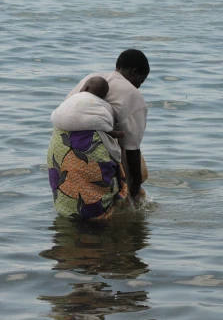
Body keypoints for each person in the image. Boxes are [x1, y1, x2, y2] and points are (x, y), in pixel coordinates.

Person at [47, 49, 150, 221]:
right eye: (141, 81)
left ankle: (70, 238)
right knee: (105, 213)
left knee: (69, 198)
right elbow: (132, 150)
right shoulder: (133, 94)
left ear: (117, 66)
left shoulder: (89, 78)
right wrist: (134, 192)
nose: (139, 85)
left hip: (59, 145)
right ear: (134, 72)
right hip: (91, 148)